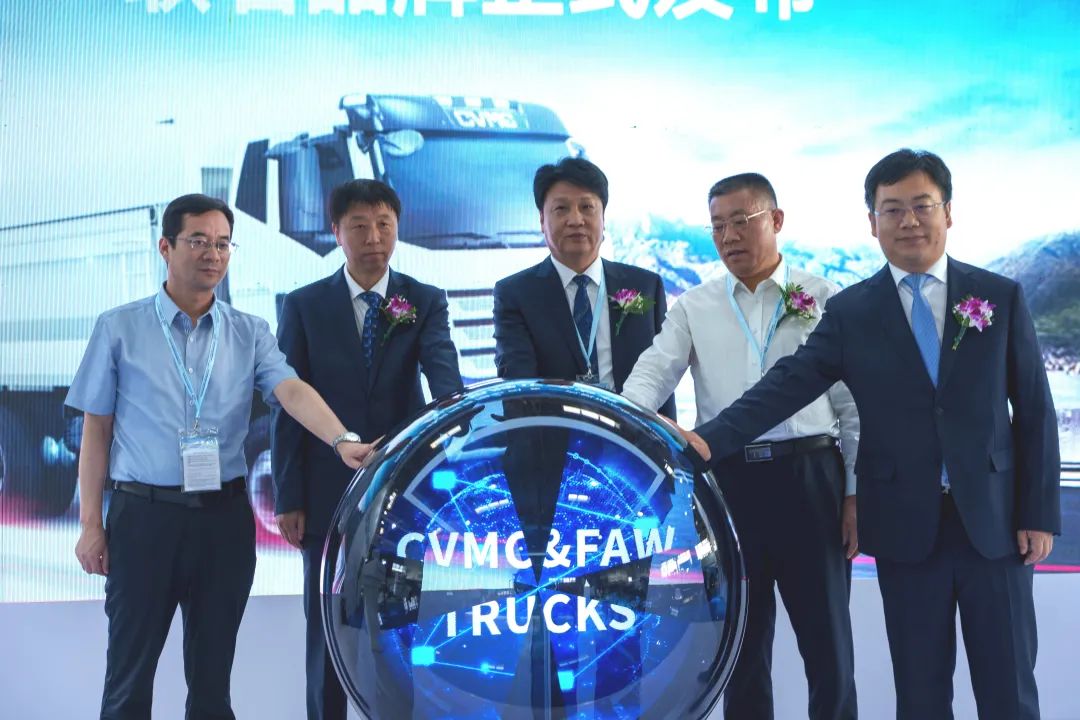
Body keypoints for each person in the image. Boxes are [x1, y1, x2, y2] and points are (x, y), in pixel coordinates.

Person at [680, 150, 1060, 720]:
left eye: (922, 206)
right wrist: (711, 438)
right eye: (892, 209)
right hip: (907, 530)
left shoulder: (998, 296)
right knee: (920, 693)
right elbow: (787, 384)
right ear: (872, 222)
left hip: (996, 525)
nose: (909, 221)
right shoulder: (852, 311)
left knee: (1009, 692)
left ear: (948, 212)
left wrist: (1039, 512)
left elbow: (1033, 410)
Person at [69, 193, 372, 720]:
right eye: (198, 241)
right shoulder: (119, 328)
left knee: (212, 687)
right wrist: (92, 525)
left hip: (223, 522)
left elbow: (290, 390)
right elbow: (97, 431)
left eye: (223, 244)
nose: (212, 254)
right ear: (166, 247)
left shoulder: (249, 331)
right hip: (144, 519)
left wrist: (341, 439)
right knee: (127, 683)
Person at [622, 172, 859, 719]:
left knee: (829, 646)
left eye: (741, 221)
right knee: (740, 648)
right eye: (717, 226)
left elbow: (852, 409)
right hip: (729, 486)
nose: (729, 236)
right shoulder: (694, 305)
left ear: (776, 220)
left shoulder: (824, 297)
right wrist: (627, 419)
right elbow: (652, 374)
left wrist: (854, 492)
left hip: (811, 480)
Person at [271, 178, 463, 720]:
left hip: (404, 492)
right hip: (325, 491)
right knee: (327, 627)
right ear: (337, 232)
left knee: (399, 628)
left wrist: (454, 429)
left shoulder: (424, 300)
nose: (374, 237)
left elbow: (444, 381)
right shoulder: (304, 305)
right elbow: (287, 403)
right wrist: (289, 495)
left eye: (384, 225)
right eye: (359, 226)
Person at [492, 156, 674, 417]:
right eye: (561, 209)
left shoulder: (644, 286)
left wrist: (666, 441)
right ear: (542, 220)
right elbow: (520, 392)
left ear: (603, 217)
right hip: (554, 435)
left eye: (587, 207)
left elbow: (662, 380)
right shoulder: (516, 294)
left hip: (632, 436)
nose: (576, 220)